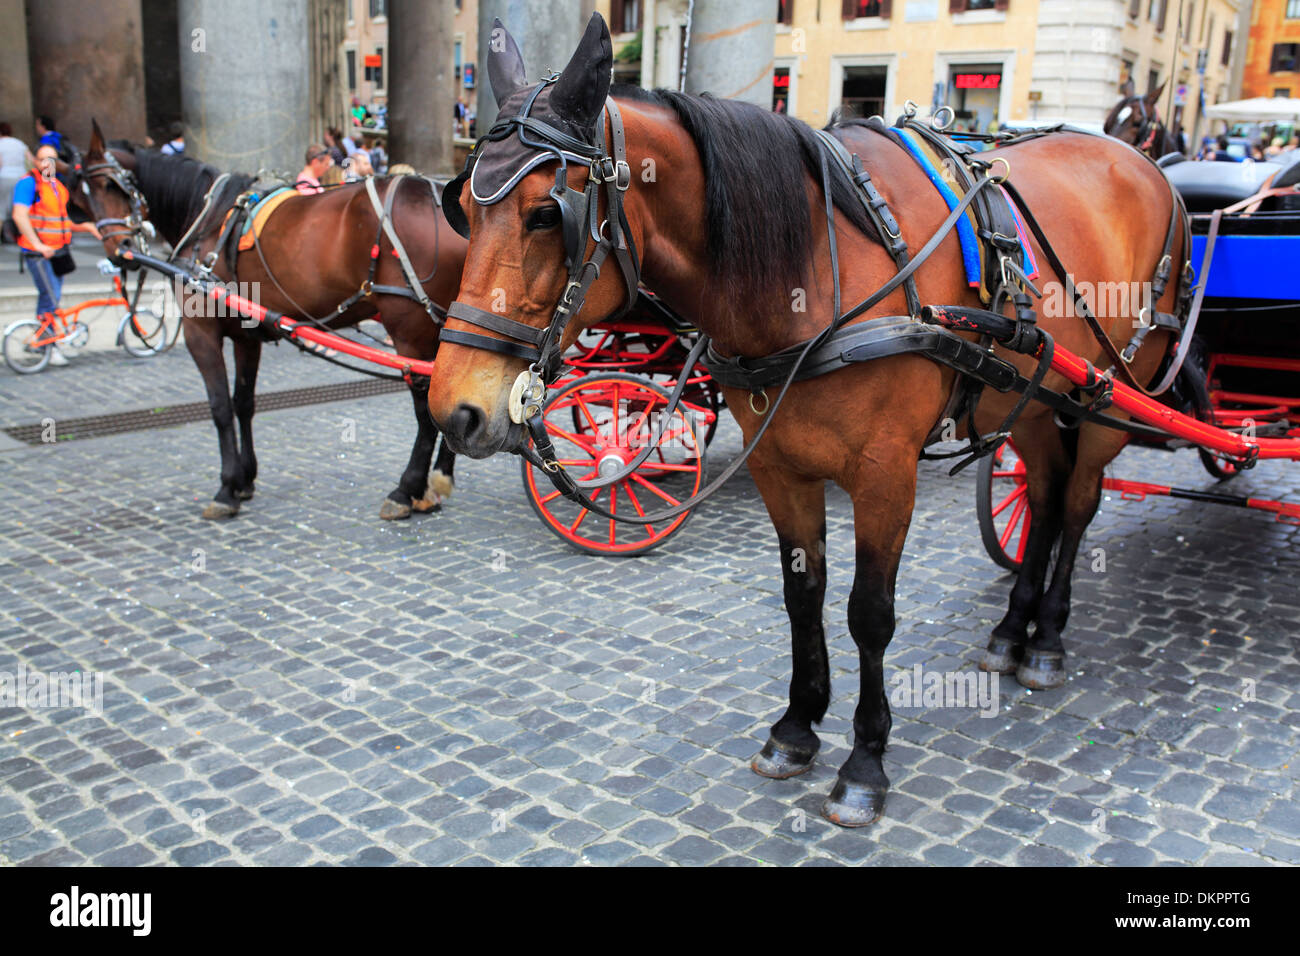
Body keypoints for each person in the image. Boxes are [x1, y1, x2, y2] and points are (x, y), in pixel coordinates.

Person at [12, 145, 101, 365]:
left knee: (52, 297)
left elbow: (61, 221)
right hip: (39, 254)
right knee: (50, 298)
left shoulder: (57, 187)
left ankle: (43, 339)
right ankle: (48, 346)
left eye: (51, 160)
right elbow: (19, 215)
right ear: (35, 161)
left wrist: (87, 227)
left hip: (58, 251)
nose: (47, 164)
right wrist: (38, 245)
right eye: (42, 159)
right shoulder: (28, 183)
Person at [0, 121, 29, 219]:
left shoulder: (1, 144)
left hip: (5, 177)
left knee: (2, 211)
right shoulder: (19, 143)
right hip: (22, 177)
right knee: (19, 209)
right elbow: (31, 160)